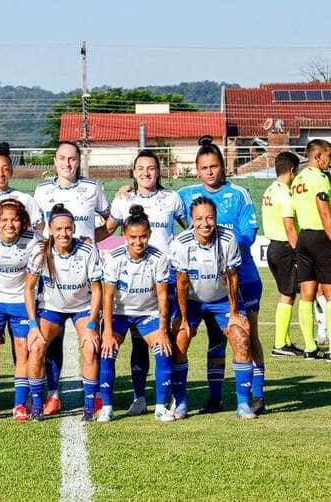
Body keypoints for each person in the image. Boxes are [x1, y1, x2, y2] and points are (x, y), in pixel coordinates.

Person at [178, 137, 265, 414]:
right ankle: (214, 398)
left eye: (214, 166)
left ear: (222, 166)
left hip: (241, 277)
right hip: (201, 283)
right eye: (204, 167)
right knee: (215, 339)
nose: (210, 172)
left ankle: (257, 395)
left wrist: (221, 246)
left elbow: (248, 234)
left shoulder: (239, 194)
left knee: (248, 335)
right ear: (197, 169)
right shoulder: (185, 194)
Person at [106, 150, 186, 416]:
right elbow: (107, 229)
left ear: (159, 171)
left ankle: (174, 397)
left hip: (166, 278)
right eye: (140, 168)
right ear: (133, 171)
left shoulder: (172, 199)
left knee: (168, 340)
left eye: (151, 168)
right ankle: (139, 398)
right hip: (132, 282)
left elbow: (188, 230)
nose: (145, 173)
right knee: (138, 344)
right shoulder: (122, 200)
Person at [33, 142, 110, 417]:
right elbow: (37, 227)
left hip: (84, 273)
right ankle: (53, 395)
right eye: (63, 159)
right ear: (55, 161)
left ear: (79, 161)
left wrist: (91, 241)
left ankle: (94, 396)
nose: (68, 163)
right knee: (50, 342)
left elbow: (110, 220)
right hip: (54, 272)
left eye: (73, 159)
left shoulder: (93, 187)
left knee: (91, 340)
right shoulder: (42, 191)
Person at [169, 197, 256, 420]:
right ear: (191, 220)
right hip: (192, 301)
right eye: (199, 219)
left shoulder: (228, 239)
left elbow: (233, 277)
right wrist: (184, 319)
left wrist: (235, 312)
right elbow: (181, 282)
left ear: (216, 218)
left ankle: (244, 404)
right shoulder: (181, 242)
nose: (205, 223)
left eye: (209, 218)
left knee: (241, 338)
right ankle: (180, 403)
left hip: (222, 300)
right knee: (179, 341)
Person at [25, 203, 103, 422]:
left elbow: (97, 289)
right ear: (50, 229)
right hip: (52, 309)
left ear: (74, 228)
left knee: (90, 347)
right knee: (37, 346)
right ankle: (38, 404)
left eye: (68, 228)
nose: (63, 233)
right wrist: (33, 325)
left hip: (82, 308)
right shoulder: (41, 252)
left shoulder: (87, 251)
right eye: (58, 229)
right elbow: (29, 288)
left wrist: (91, 324)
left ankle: (89, 406)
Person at [99, 205, 174, 423]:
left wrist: (162, 331)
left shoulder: (158, 258)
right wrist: (108, 333)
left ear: (149, 235)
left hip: (147, 313)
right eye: (133, 237)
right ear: (124, 235)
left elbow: (162, 296)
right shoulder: (114, 258)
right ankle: (107, 407)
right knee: (107, 352)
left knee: (163, 350)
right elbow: (108, 297)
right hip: (119, 314)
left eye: (143, 237)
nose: (138, 242)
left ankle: (160, 407)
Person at [0, 199, 42, 421]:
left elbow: (53, 244)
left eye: (15, 219)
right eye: (4, 219)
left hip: (22, 303)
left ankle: (20, 405)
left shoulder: (34, 240)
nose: (9, 224)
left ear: (22, 221)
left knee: (23, 350)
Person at [289, 138, 331, 360]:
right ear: (318, 156)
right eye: (328, 156)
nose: (328, 161)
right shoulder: (320, 179)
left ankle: (309, 347)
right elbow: (324, 210)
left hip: (304, 237)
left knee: (306, 294)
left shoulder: (297, 180)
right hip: (320, 236)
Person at [262, 152, 303, 357]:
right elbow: (289, 227)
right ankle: (280, 343)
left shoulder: (270, 190)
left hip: (273, 247)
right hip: (285, 248)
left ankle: (284, 340)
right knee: (288, 294)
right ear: (293, 171)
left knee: (288, 293)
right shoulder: (285, 194)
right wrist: (299, 253)